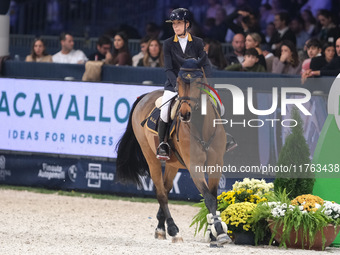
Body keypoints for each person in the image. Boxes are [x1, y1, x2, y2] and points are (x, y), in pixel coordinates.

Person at [157, 8, 212, 160]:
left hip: (195, 85)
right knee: (165, 109)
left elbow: (205, 65)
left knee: (217, 104)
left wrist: (208, 82)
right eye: (174, 24)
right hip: (175, 84)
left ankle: (223, 137)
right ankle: (163, 144)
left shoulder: (198, 42)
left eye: (179, 23)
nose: (175, 26)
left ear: (187, 24)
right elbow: (168, 68)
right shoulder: (168, 43)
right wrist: (176, 84)